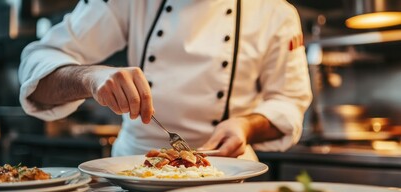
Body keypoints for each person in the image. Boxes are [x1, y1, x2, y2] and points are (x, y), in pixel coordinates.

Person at [18, 0, 312, 160]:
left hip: (228, 181)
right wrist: (90, 77)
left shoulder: (276, 13)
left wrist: (246, 126)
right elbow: (37, 67)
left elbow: (289, 103)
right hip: (132, 175)